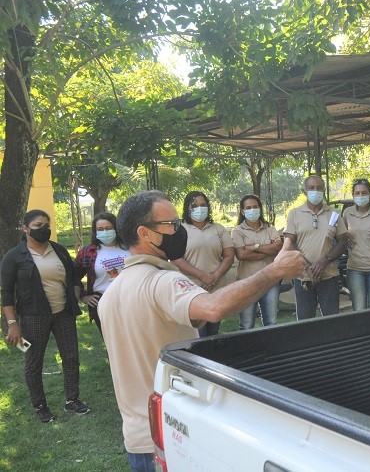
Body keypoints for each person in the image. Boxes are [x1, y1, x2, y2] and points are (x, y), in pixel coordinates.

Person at [98, 190, 304, 472]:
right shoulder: (162, 281)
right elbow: (212, 308)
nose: (179, 230)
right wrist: (275, 271)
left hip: (138, 439)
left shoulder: (112, 291)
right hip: (168, 435)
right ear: (145, 233)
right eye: (171, 224)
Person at [1, 209, 90, 423]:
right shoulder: (15, 256)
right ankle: (40, 406)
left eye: (46, 225)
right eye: (38, 225)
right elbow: (6, 292)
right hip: (33, 317)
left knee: (71, 357)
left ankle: (72, 399)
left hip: (63, 313)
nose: (44, 229)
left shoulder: (58, 250)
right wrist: (12, 323)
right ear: (25, 229)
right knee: (34, 362)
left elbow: (73, 276)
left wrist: (77, 290)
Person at [170, 190, 234, 337]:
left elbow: (229, 255)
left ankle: (213, 358)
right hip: (191, 289)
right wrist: (202, 276)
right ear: (187, 208)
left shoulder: (218, 229)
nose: (199, 208)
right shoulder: (179, 230)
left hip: (216, 289)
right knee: (198, 332)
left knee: (213, 330)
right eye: (194, 205)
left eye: (203, 204)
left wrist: (214, 277)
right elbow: (175, 258)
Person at [283, 175, 348, 320]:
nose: (315, 191)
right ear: (304, 190)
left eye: (319, 188)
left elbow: (343, 241)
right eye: (311, 188)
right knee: (305, 322)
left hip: (329, 276)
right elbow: (289, 243)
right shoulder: (294, 214)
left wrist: (324, 261)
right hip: (303, 277)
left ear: (324, 190)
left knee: (331, 320)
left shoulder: (334, 213)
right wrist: (306, 266)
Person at [231, 194, 283, 329]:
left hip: (270, 281)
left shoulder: (270, 228)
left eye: (255, 207)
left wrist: (255, 247)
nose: (252, 210)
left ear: (260, 208)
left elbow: (278, 248)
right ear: (242, 211)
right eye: (248, 208)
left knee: (271, 323)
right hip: (246, 282)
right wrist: (267, 250)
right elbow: (241, 255)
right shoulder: (237, 231)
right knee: (247, 324)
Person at [75, 212, 131, 335]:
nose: (105, 232)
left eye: (108, 228)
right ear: (95, 232)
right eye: (100, 229)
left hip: (131, 298)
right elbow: (73, 277)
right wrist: (83, 296)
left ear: (116, 228)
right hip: (102, 301)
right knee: (112, 341)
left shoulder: (130, 247)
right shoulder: (87, 253)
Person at [342, 178, 370, 310]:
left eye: (364, 192)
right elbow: (341, 234)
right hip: (355, 268)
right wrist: (345, 235)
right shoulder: (347, 212)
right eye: (357, 193)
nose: (360, 196)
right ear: (353, 195)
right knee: (359, 308)